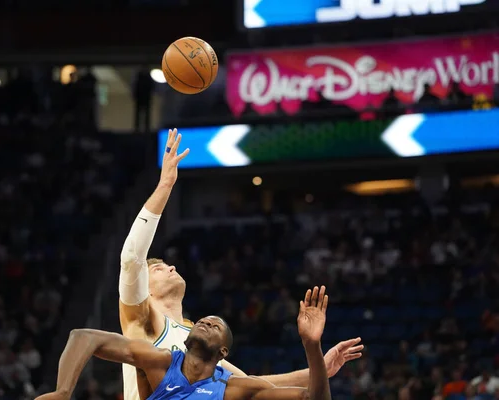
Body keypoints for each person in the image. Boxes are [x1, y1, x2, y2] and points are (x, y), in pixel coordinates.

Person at [118, 128, 364, 400]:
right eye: (159, 268)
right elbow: (132, 257)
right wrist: (165, 185)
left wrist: (319, 369)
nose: (171, 267)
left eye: (168, 265)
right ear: (145, 288)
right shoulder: (142, 317)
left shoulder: (199, 339)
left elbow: (249, 383)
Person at [37, 286, 333, 400]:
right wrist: (63, 391)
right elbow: (83, 336)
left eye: (215, 325)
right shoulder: (161, 362)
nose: (206, 321)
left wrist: (311, 346)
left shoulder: (234, 390)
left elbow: (314, 399)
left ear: (223, 351)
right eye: (204, 320)